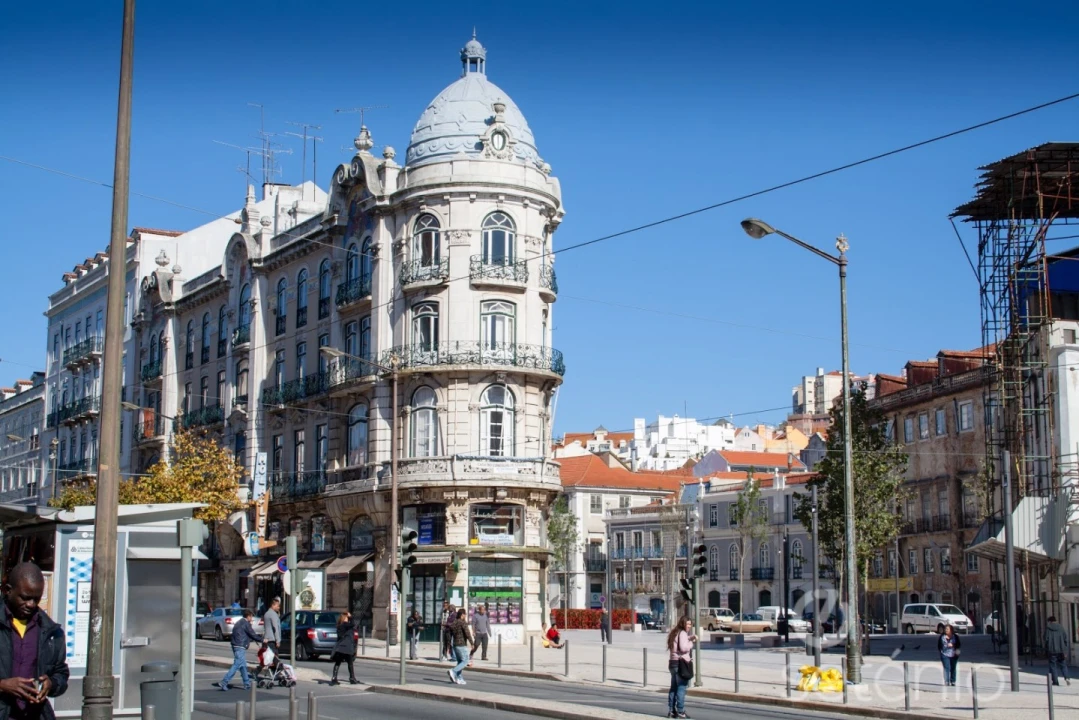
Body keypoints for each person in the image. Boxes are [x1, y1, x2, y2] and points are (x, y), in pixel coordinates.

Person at [0, 563, 69, 720]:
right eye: (25, 597)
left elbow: (61, 673)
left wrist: (51, 683)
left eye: (36, 599)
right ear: (8, 590)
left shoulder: (51, 632)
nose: (31, 604)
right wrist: (2, 685)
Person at [218, 609, 262, 691]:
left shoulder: (239, 622)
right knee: (237, 665)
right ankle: (224, 681)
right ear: (248, 616)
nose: (252, 618)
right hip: (240, 645)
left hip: (235, 645)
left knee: (242, 665)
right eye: (251, 616)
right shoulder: (246, 623)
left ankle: (247, 684)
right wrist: (262, 640)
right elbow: (252, 634)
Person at [667, 615, 696, 719]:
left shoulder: (674, 632)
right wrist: (691, 642)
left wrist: (689, 637)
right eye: (688, 624)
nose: (689, 626)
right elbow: (683, 647)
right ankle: (680, 711)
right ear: (683, 623)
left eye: (690, 624)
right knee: (681, 687)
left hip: (672, 663)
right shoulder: (683, 633)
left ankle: (671, 711)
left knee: (673, 688)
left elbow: (678, 641)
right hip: (681, 664)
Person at [330, 611, 358, 685]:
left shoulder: (339, 626)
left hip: (340, 647)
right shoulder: (345, 625)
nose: (347, 619)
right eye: (346, 618)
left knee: (338, 663)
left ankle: (334, 678)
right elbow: (353, 624)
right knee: (350, 663)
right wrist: (351, 617)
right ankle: (352, 678)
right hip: (346, 647)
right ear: (344, 618)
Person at [447, 609, 474, 685]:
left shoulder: (454, 622)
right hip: (461, 644)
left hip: (455, 644)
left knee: (459, 662)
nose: (465, 616)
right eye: (465, 614)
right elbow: (467, 633)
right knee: (465, 661)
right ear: (462, 615)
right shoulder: (462, 622)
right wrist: (472, 643)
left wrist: (449, 644)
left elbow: (450, 632)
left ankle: (459, 678)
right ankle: (453, 671)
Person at [1046, 615, 1071, 686]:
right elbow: (1065, 638)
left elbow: (1045, 638)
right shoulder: (1061, 628)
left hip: (1052, 651)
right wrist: (1065, 649)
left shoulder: (1048, 629)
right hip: (1061, 650)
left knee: (1053, 666)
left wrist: (1047, 647)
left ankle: (1055, 681)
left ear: (1050, 621)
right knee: (1063, 665)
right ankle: (1067, 678)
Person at [261, 598, 281, 668]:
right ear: (273, 605)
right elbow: (275, 627)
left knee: (269, 659)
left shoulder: (266, 613)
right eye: (277, 606)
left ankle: (275, 674)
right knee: (275, 659)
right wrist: (278, 640)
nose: (279, 607)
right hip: (272, 640)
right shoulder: (273, 614)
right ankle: (278, 674)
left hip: (266, 639)